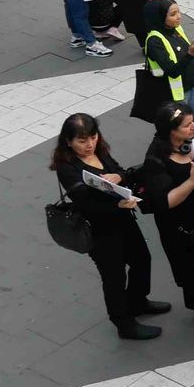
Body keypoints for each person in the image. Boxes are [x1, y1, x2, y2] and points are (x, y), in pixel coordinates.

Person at [52, 112, 167, 340]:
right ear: (69, 142)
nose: (89, 144)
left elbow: (120, 172)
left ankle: (137, 301)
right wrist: (119, 206)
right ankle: (123, 323)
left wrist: (119, 177)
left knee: (142, 260)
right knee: (113, 277)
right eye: (82, 141)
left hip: (124, 220)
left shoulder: (101, 151)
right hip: (99, 231)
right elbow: (85, 202)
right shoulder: (67, 167)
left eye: (92, 137)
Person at [135, 101, 194, 331]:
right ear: (170, 131)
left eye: (193, 122)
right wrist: (192, 180)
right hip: (180, 224)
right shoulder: (155, 159)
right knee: (192, 269)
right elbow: (166, 201)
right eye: (187, 125)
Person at [140, 0, 194, 135]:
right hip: (176, 95)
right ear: (159, 17)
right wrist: (190, 53)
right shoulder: (154, 41)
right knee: (181, 130)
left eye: (178, 12)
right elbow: (172, 70)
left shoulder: (177, 29)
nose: (179, 17)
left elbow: (186, 54)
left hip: (190, 87)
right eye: (173, 14)